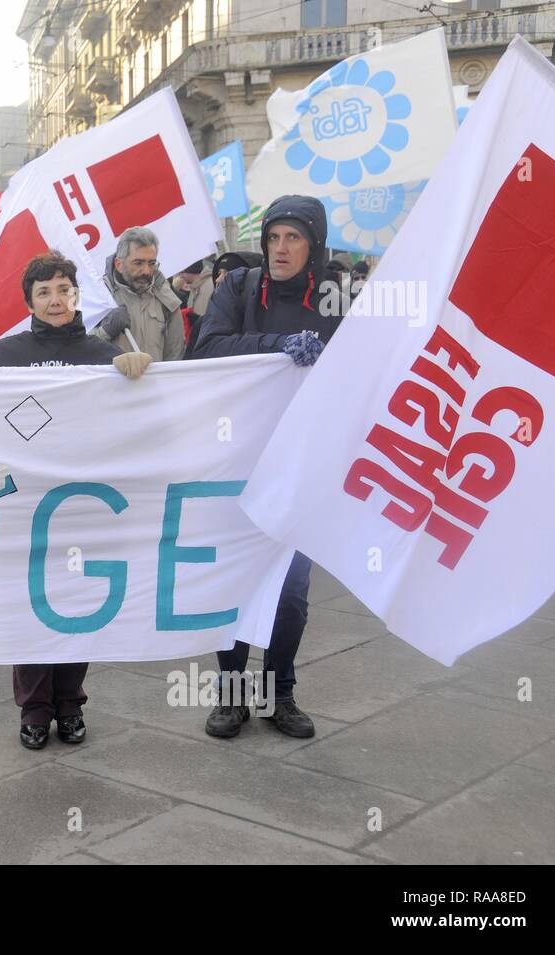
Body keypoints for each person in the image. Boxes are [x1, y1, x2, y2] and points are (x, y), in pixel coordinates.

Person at [0, 250, 150, 750]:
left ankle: (71, 703)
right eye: (44, 292)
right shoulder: (5, 353)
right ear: (30, 300)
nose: (56, 300)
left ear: (77, 294)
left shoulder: (102, 354)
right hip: (22, 501)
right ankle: (34, 709)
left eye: (64, 289)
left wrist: (138, 375)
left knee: (76, 603)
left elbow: (135, 422)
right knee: (31, 604)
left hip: (81, 502)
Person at [190, 194, 346, 741]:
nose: (280, 249)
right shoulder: (238, 287)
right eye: (274, 237)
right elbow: (206, 348)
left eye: (294, 238)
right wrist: (278, 347)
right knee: (233, 575)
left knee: (292, 590)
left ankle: (280, 693)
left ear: (314, 245)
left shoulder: (336, 297)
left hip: (302, 462)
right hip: (236, 455)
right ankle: (231, 695)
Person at [90, 226, 185, 362]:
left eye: (151, 263)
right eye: (138, 263)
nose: (146, 271)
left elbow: (175, 356)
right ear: (118, 264)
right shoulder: (99, 295)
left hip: (156, 382)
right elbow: (78, 350)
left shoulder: (166, 298)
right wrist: (106, 331)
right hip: (113, 383)